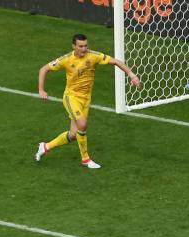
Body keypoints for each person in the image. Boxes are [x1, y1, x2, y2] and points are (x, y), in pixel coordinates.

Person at [35, 33, 141, 169]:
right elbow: (44, 69)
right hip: (71, 97)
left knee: (73, 135)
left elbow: (115, 61)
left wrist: (131, 74)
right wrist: (41, 90)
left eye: (85, 46)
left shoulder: (93, 56)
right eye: (80, 46)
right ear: (74, 46)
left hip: (86, 99)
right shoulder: (66, 60)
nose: (84, 49)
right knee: (83, 124)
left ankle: (45, 146)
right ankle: (85, 159)